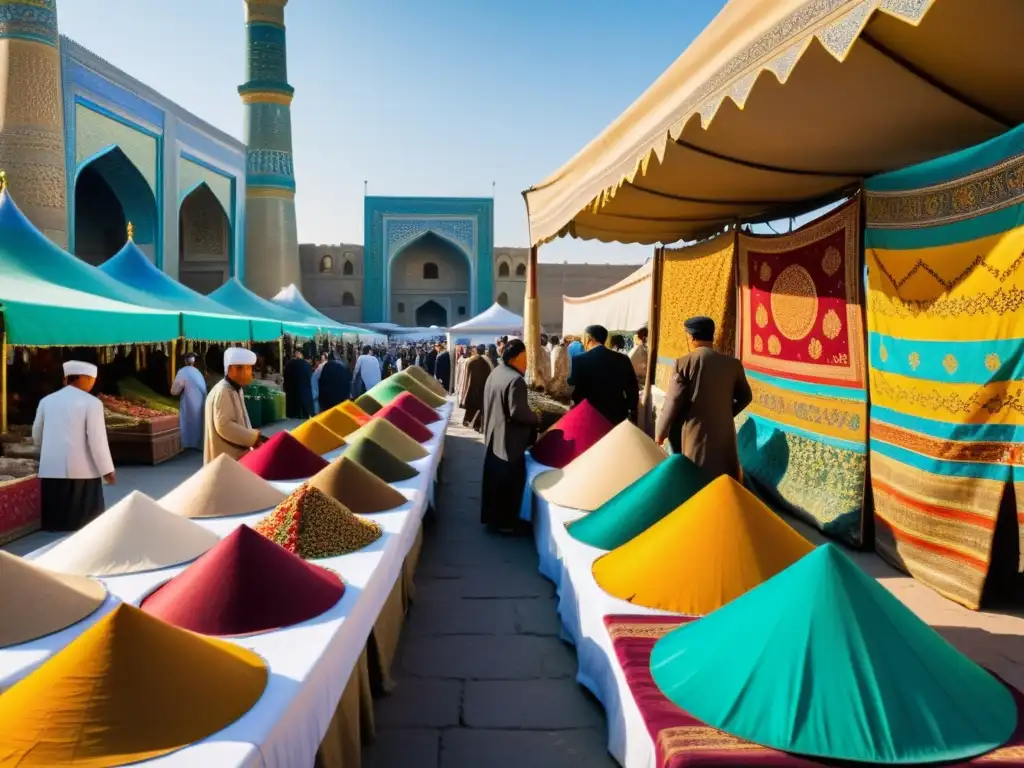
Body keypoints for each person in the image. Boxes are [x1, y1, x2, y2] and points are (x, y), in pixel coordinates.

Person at [655, 316, 753, 481]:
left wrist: (660, 433)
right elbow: (746, 396)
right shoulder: (733, 364)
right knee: (723, 479)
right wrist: (726, 414)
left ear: (692, 337)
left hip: (695, 434)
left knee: (696, 481)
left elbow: (673, 402)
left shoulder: (684, 363)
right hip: (725, 435)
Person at [32, 361, 115, 531]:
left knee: (56, 517)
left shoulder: (47, 401)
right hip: (82, 470)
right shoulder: (92, 403)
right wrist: (107, 469)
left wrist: (46, 450)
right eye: (92, 379)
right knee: (84, 522)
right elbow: (97, 440)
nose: (93, 383)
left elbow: (37, 432)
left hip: (51, 468)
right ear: (83, 378)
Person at [480, 339, 540, 532]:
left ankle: (493, 519)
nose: (527, 363)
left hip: (494, 435)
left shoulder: (496, 373)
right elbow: (518, 412)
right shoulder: (515, 380)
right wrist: (536, 417)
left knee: (493, 480)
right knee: (509, 483)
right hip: (509, 440)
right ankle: (506, 523)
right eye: (525, 358)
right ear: (515, 358)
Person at [204, 347, 267, 464]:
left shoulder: (236, 389)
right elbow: (224, 425)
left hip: (236, 458)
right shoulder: (223, 390)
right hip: (226, 460)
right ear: (233, 370)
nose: (250, 372)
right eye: (247, 368)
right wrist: (253, 438)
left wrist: (254, 437)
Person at [568, 325, 639, 425]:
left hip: (589, 417)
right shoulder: (623, 359)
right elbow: (632, 390)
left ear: (588, 338)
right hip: (616, 417)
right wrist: (629, 408)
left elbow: (576, 389)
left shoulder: (579, 360)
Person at [171, 353, 207, 451]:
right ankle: (197, 444)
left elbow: (174, 390)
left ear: (185, 361)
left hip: (189, 402)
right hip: (201, 403)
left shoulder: (182, 372)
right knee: (198, 423)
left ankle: (187, 444)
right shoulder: (198, 372)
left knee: (188, 423)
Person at [460, 344, 492, 431]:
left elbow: (466, 376)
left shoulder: (471, 361)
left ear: (477, 351)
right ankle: (477, 425)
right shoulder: (488, 361)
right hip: (483, 388)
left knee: (471, 406)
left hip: (472, 387)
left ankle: (467, 420)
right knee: (480, 407)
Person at [283, 349, 315, 419]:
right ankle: (304, 413)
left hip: (292, 390)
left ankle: (293, 414)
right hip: (304, 390)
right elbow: (310, 377)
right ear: (301, 355)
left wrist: (285, 386)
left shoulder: (289, 364)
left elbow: (285, 376)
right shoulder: (307, 365)